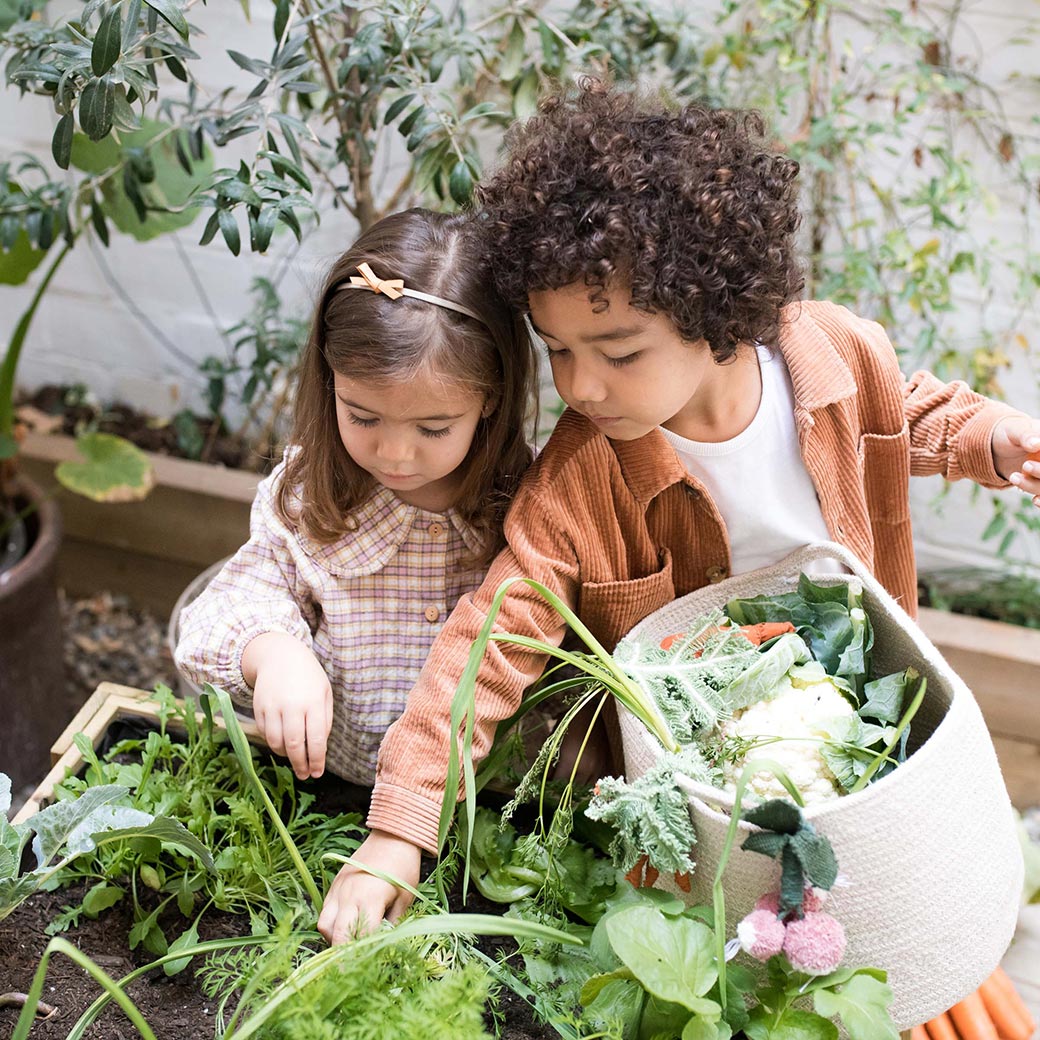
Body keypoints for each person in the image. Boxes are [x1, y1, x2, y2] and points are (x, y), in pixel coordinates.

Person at [317, 80, 1040, 944]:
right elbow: (490, 638)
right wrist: (400, 830)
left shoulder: (839, 356)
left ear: (713, 311)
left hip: (852, 714)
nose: (580, 387)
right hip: (699, 784)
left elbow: (900, 416)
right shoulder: (581, 478)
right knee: (743, 945)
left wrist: (987, 437)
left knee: (901, 920)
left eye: (618, 352)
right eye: (558, 352)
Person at [175, 208, 537, 790]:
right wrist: (273, 654)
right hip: (332, 785)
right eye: (362, 416)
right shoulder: (310, 497)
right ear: (331, 379)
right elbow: (213, 619)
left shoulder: (522, 502)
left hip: (482, 803)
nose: (394, 453)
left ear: (490, 400)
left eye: (433, 428)